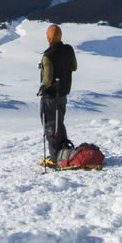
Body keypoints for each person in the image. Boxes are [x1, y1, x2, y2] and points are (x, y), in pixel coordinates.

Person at [38, 24, 77, 163]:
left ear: (48, 38)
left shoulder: (47, 56)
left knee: (50, 125)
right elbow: (74, 67)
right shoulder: (69, 50)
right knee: (59, 123)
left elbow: (47, 79)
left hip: (51, 96)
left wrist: (43, 87)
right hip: (63, 95)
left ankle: (55, 158)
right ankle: (62, 152)